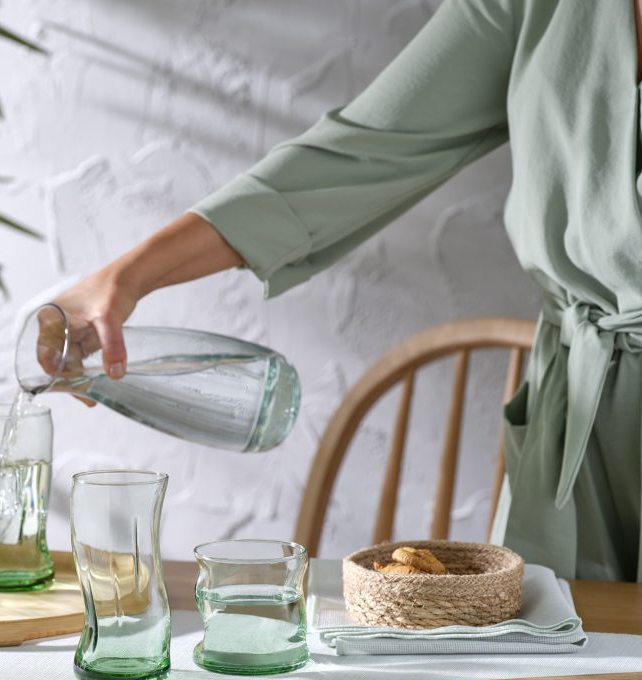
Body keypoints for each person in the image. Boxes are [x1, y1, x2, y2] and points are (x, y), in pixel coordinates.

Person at [49, 0, 642, 583]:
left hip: (586, 405)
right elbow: (359, 153)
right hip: (580, 420)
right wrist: (126, 279)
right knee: (557, 643)